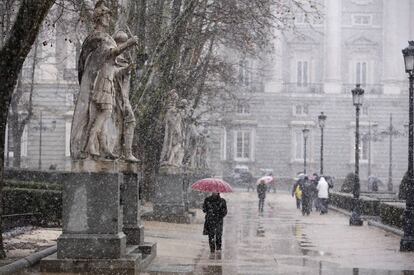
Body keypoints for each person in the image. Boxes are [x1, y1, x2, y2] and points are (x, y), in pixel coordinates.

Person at [203, 193, 227, 257]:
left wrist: (219, 214)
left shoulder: (222, 201)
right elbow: (204, 210)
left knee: (219, 235)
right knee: (211, 235)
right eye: (213, 191)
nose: (214, 192)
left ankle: (218, 248)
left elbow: (225, 212)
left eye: (216, 191)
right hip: (210, 220)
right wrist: (209, 210)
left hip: (218, 220)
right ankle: (212, 249)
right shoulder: (207, 200)